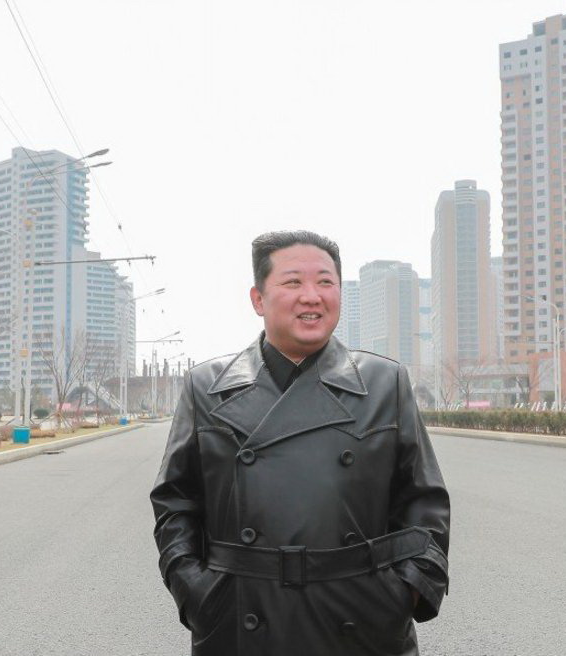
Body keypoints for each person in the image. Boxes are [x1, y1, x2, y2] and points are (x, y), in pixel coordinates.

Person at [151, 230, 450, 655]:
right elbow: (175, 502)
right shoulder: (207, 387)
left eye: (326, 282)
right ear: (258, 299)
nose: (312, 296)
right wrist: (196, 592)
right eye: (293, 282)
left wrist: (406, 590)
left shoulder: (386, 382)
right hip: (240, 621)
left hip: (362, 621)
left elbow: (424, 501)